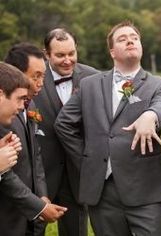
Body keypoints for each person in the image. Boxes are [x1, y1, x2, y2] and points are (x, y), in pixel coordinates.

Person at [55, 21, 161, 236]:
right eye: (122, 38)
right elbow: (63, 124)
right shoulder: (89, 85)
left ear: (140, 46)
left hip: (145, 188)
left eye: (134, 37)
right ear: (112, 52)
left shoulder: (160, 85)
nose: (130, 40)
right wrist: (87, 158)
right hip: (102, 190)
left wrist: (151, 115)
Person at [33, 28, 98, 236]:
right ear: (47, 54)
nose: (68, 60)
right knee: (32, 228)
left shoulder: (94, 78)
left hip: (77, 172)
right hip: (41, 174)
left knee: (76, 230)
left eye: (71, 53)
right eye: (60, 55)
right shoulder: (31, 77)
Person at [0, 43, 67, 236]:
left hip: (30, 214)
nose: (40, 82)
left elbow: (35, 155)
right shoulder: (6, 112)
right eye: (35, 76)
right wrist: (38, 207)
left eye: (43, 76)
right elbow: (6, 173)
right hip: (8, 213)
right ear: (17, 73)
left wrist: (42, 196)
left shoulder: (29, 105)